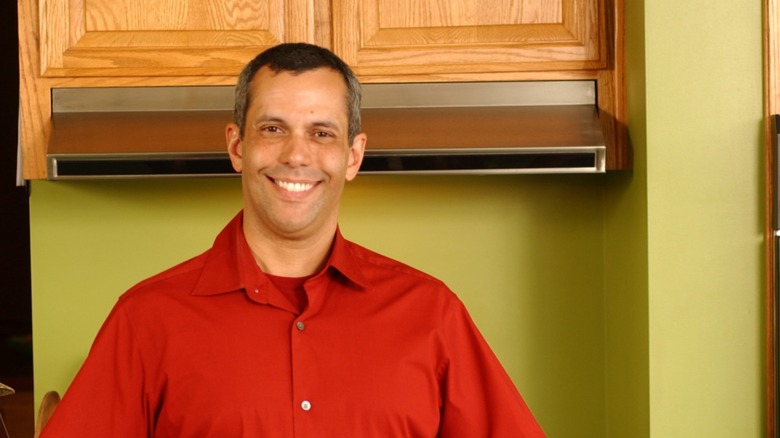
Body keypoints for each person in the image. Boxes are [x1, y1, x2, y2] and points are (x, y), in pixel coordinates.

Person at [39, 43, 545, 437]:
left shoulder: (432, 315)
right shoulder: (146, 320)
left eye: (322, 132)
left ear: (353, 155)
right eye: (274, 128)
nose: (297, 155)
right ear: (238, 146)